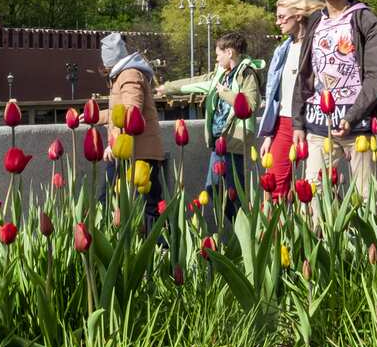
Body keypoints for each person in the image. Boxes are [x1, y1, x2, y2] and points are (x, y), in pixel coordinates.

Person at [291, 0, 377, 198]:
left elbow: (376, 75)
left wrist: (353, 116)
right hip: (318, 125)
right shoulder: (315, 21)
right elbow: (305, 74)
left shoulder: (365, 19)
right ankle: (319, 237)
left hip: (358, 126)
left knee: (366, 198)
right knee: (312, 199)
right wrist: (298, 123)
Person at [156, 32, 262, 221]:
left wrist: (226, 94)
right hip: (219, 141)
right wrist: (168, 87)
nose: (217, 58)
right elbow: (197, 82)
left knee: (232, 192)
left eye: (218, 54)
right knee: (215, 189)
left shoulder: (247, 74)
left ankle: (248, 231)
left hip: (236, 142)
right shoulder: (220, 74)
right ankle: (243, 230)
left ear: (229, 52)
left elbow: (251, 105)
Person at [258, 0, 324, 199]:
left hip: (311, 120)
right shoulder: (283, 50)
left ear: (298, 15)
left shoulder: (316, 44)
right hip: (283, 122)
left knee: (315, 187)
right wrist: (270, 134)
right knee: (274, 188)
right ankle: (275, 231)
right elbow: (276, 96)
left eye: (282, 17)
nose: (277, 22)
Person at [98, 33, 166, 224]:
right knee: (139, 203)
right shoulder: (125, 74)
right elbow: (120, 112)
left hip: (136, 151)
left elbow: (131, 112)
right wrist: (95, 116)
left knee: (144, 205)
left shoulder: (129, 75)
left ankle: (161, 249)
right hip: (131, 150)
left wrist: (114, 145)